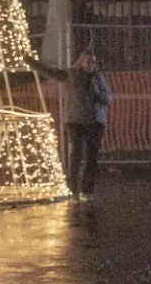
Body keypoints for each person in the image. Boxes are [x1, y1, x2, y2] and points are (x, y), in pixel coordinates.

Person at [30, 51, 112, 199]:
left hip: (95, 122)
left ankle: (87, 190)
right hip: (76, 121)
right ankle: (73, 189)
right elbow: (50, 72)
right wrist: (32, 63)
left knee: (91, 158)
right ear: (81, 62)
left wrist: (98, 95)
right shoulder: (71, 75)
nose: (91, 65)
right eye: (88, 62)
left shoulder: (98, 77)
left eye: (93, 62)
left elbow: (108, 98)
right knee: (76, 155)